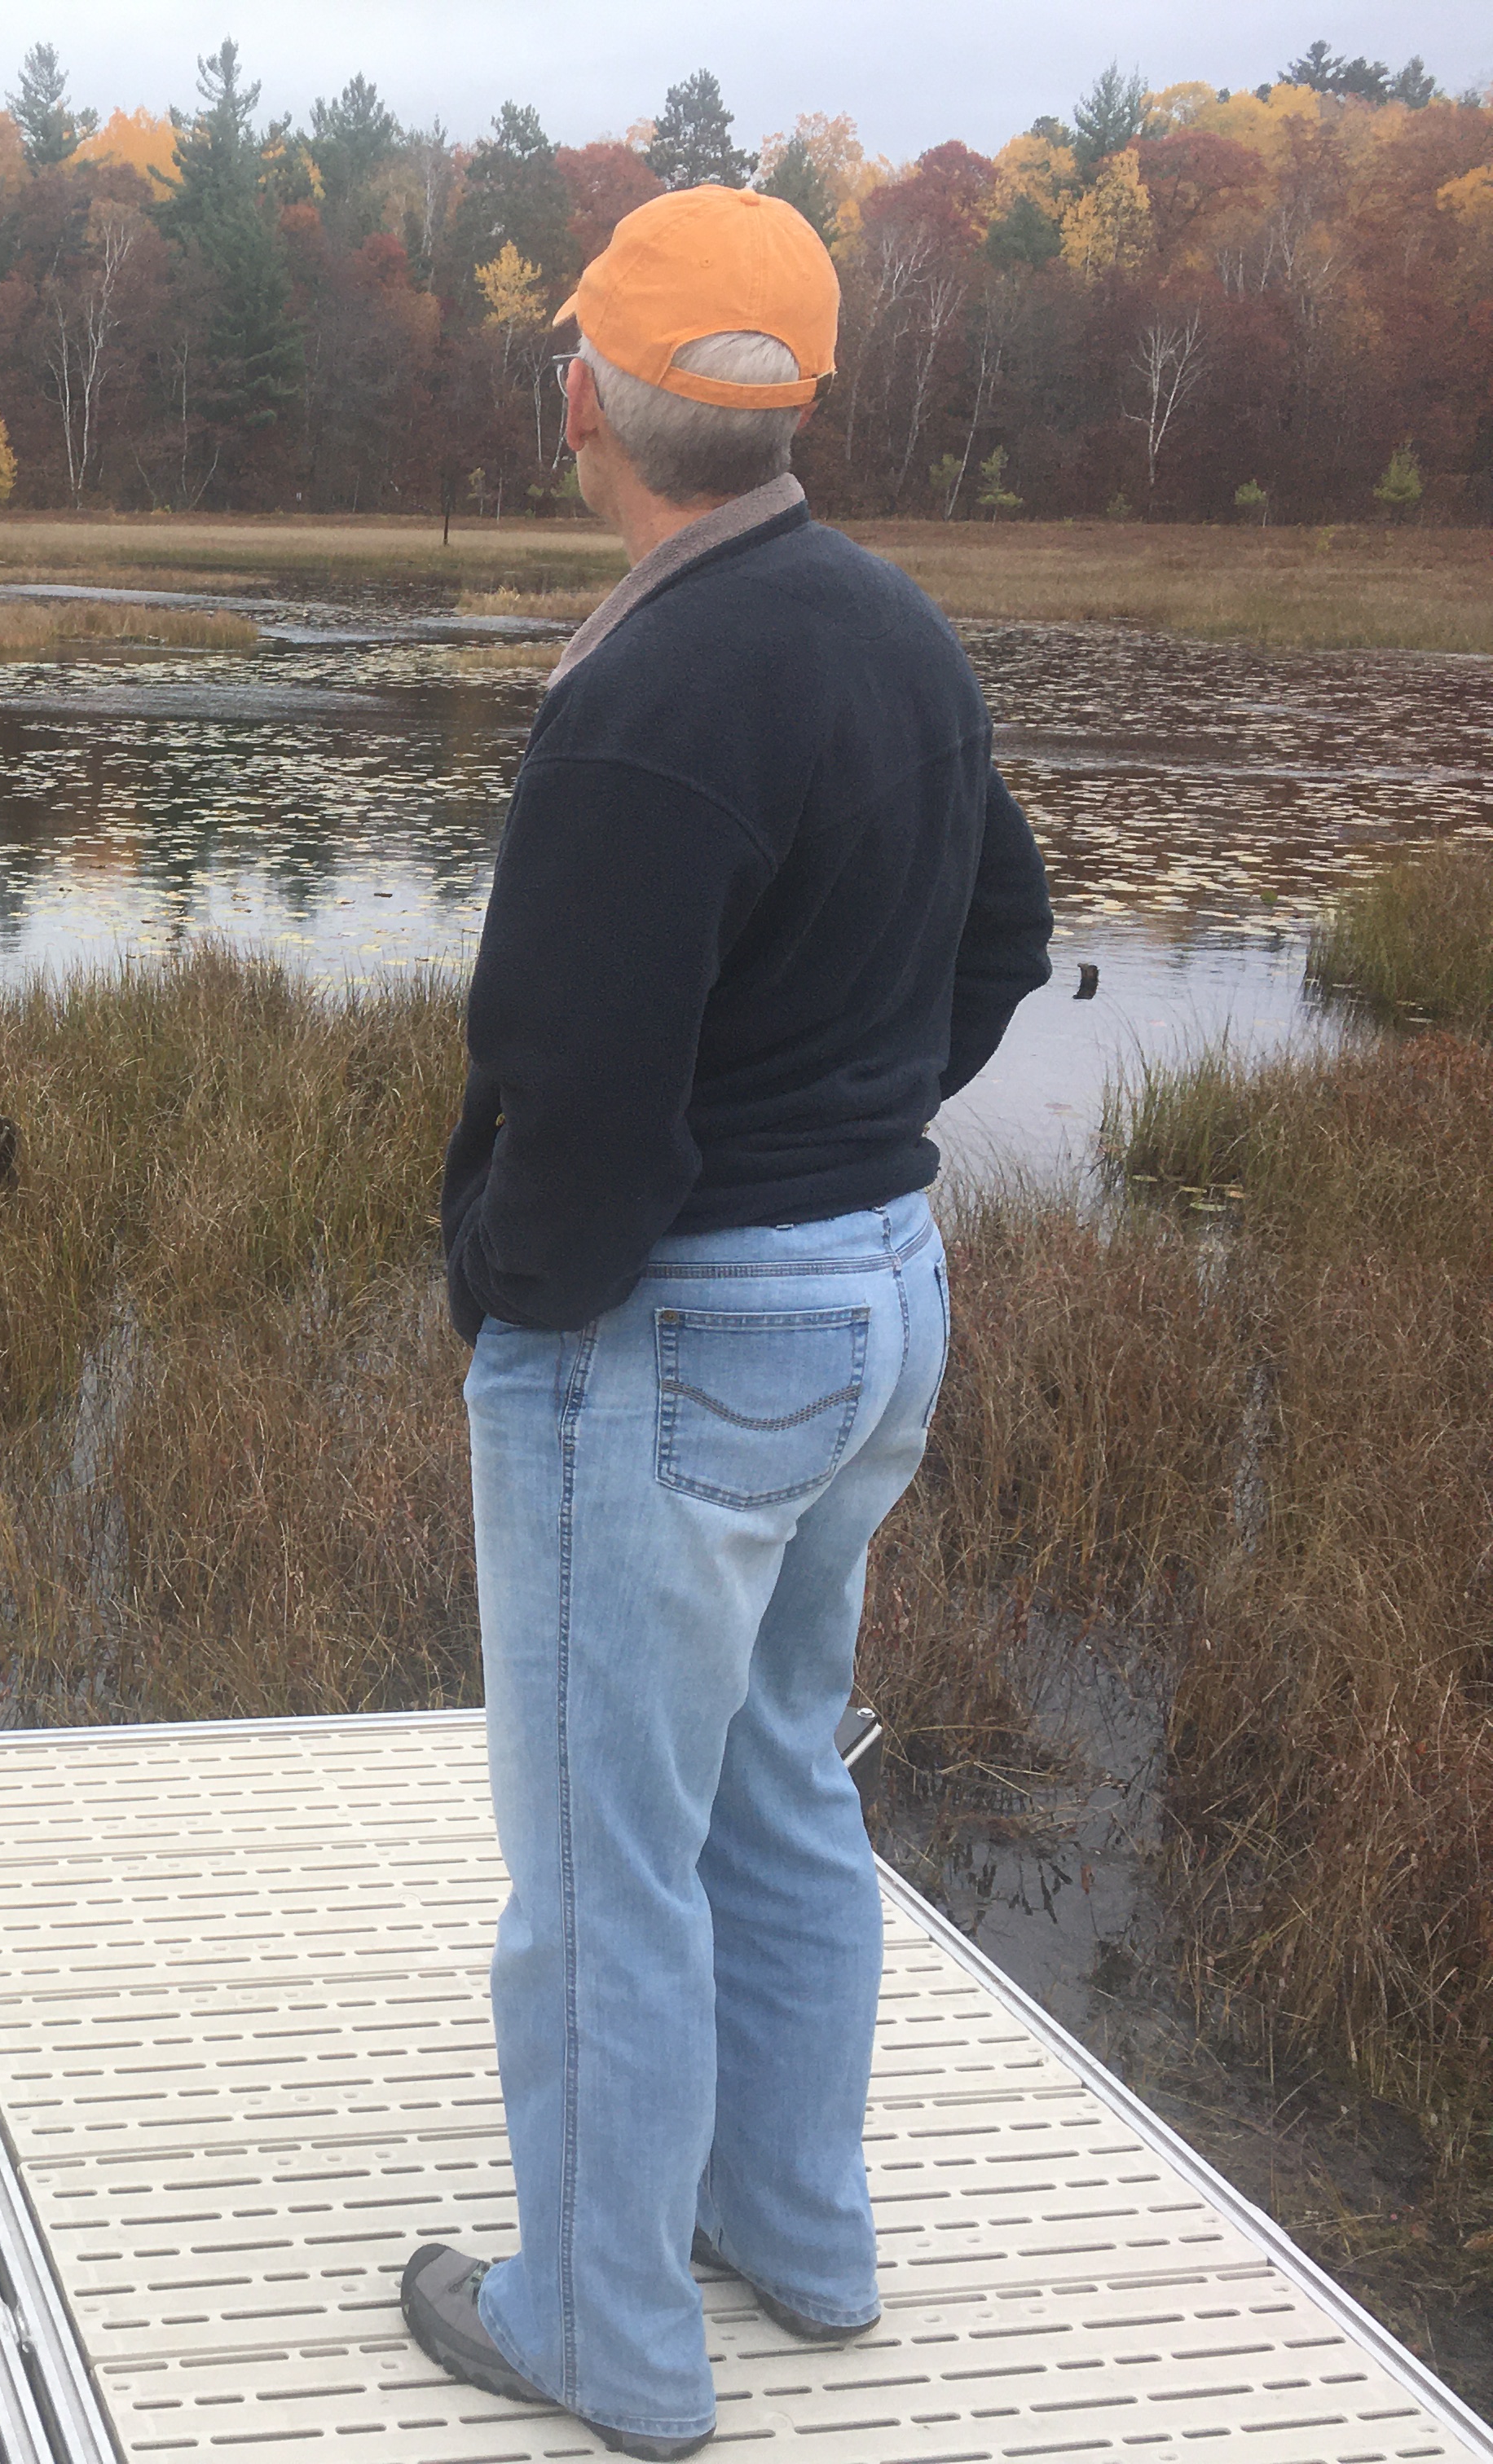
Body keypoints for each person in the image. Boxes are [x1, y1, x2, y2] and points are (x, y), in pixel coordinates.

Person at [397, 187, 1054, 2459]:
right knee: (779, 1782)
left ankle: (600, 2334)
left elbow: (572, 1100)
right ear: (788, 402)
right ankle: (801, 2235)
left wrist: (517, 1310)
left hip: (676, 1338)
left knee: (603, 1860)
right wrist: (844, 1135)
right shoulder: (893, 631)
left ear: (585, 396)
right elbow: (1004, 944)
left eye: (562, 360)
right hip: (879, 1295)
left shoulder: (648, 694)